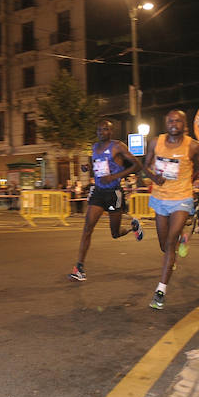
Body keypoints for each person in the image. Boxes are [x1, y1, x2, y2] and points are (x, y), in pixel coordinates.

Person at [144, 110, 199, 309]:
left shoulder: (194, 146)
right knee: (164, 245)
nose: (174, 123)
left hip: (181, 198)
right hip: (159, 198)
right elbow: (144, 166)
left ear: (184, 124)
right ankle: (182, 238)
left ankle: (160, 291)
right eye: (170, 120)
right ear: (166, 123)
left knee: (170, 244)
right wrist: (153, 177)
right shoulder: (156, 142)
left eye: (178, 121)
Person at [68, 120, 144, 282]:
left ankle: (133, 226)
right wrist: (86, 168)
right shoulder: (94, 147)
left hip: (114, 192)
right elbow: (95, 163)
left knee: (115, 233)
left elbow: (137, 165)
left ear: (111, 131)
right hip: (98, 191)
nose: (101, 132)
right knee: (87, 228)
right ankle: (79, 267)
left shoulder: (117, 146)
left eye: (105, 129)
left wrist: (115, 176)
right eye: (99, 129)